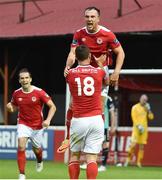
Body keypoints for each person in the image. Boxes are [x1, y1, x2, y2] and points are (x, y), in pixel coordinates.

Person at [62, 6, 125, 155]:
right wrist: (67, 66)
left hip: (100, 73)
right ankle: (68, 136)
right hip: (82, 72)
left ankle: (99, 139)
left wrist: (116, 72)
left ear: (98, 18)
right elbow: (72, 53)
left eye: (92, 17)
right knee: (72, 105)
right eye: (87, 17)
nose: (89, 19)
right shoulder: (79, 33)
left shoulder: (107, 34)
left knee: (100, 106)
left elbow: (120, 52)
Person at [66, 45, 109, 179]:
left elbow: (67, 74)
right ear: (90, 56)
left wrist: (68, 65)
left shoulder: (70, 74)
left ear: (76, 57)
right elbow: (107, 82)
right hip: (96, 119)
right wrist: (100, 63)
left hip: (79, 119)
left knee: (74, 156)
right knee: (92, 158)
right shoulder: (98, 72)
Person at [6, 68, 56, 180]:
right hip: (23, 123)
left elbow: (53, 106)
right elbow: (13, 106)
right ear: (19, 80)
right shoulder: (16, 93)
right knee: (21, 145)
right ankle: (22, 174)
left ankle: (39, 160)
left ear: (31, 79)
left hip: (38, 125)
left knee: (36, 149)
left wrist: (47, 120)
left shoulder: (39, 92)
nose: (25, 80)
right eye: (22, 78)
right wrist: (10, 108)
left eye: (26, 78)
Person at [80, 96, 116, 171]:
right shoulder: (93, 96)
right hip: (93, 125)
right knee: (89, 143)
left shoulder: (108, 98)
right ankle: (88, 163)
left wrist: (112, 126)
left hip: (104, 126)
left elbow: (112, 113)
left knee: (105, 144)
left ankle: (103, 165)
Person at [124, 94, 154, 167]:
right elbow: (133, 118)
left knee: (141, 146)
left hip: (144, 129)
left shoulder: (146, 108)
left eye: (146, 100)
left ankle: (138, 162)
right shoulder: (135, 107)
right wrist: (138, 125)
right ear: (140, 99)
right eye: (143, 99)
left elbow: (151, 117)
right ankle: (128, 160)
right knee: (133, 145)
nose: (144, 101)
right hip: (136, 129)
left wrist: (149, 110)